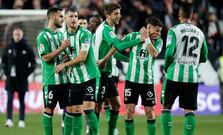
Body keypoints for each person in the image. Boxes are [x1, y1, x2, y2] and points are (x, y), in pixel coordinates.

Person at [93, 3, 148, 135]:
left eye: (119, 13)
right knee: (98, 106)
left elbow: (114, 51)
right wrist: (140, 39)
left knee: (116, 105)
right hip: (99, 72)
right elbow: (119, 45)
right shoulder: (105, 29)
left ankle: (111, 132)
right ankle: (92, 132)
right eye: (116, 14)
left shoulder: (110, 28)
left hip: (108, 72)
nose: (119, 16)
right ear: (108, 15)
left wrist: (128, 60)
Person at [161, 2, 208, 135]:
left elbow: (169, 53)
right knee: (189, 111)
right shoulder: (200, 32)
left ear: (179, 15)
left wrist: (166, 66)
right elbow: (204, 57)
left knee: (166, 107)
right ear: (191, 15)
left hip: (174, 75)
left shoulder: (174, 30)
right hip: (192, 77)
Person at [55, 7, 100, 135]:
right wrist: (63, 58)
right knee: (75, 110)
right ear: (65, 19)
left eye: (76, 16)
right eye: (71, 16)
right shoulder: (63, 37)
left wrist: (65, 64)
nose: (74, 19)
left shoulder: (85, 34)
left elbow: (82, 57)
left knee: (88, 110)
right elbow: (67, 54)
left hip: (90, 76)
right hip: (75, 79)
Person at [122, 17, 163, 135]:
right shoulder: (133, 36)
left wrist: (146, 40)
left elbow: (154, 53)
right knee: (129, 111)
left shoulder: (159, 41)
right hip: (132, 80)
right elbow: (119, 47)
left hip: (147, 81)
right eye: (157, 30)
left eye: (160, 31)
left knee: (149, 112)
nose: (158, 34)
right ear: (149, 28)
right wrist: (127, 59)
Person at [36, 7, 70, 135]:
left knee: (70, 110)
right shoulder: (42, 36)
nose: (63, 19)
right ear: (53, 17)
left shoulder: (61, 34)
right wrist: (61, 48)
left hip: (65, 80)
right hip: (51, 80)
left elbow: (63, 55)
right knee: (49, 110)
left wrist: (66, 57)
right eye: (61, 16)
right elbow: (46, 58)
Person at [2, 27, 36, 128]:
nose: (17, 36)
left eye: (19, 34)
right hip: (10, 80)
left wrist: (26, 74)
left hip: (22, 80)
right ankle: (9, 120)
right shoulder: (8, 47)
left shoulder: (27, 48)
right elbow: (3, 62)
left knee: (21, 100)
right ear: (13, 35)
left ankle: (21, 120)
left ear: (22, 36)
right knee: (9, 99)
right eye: (15, 34)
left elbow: (33, 63)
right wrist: (7, 73)